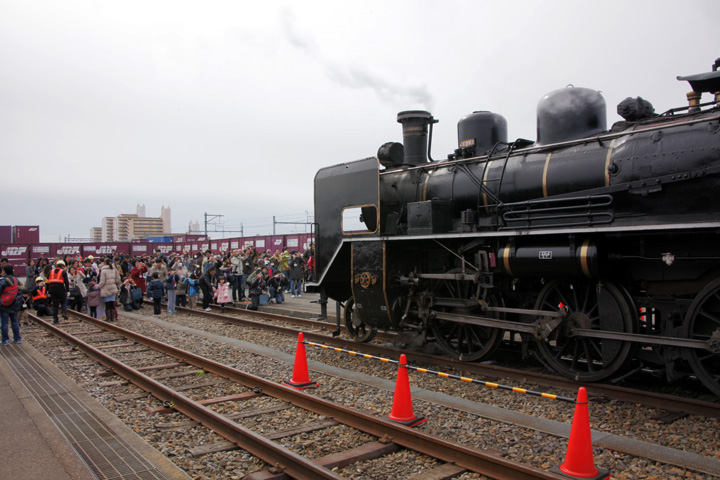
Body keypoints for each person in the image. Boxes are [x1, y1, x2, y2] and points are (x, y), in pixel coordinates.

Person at [0, 265, 22, 345]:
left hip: (4, 304)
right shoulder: (16, 280)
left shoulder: (3, 280)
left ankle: (5, 340)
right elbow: (20, 292)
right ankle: (17, 338)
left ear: (4, 271)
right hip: (14, 304)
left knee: (4, 323)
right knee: (15, 321)